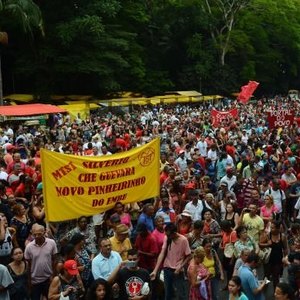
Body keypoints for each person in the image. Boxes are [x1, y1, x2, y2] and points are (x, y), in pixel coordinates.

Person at [150, 222, 191, 300]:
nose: (167, 236)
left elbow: (189, 256)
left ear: (174, 233)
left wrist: (180, 267)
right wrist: (155, 271)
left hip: (178, 271)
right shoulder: (167, 237)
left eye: (169, 235)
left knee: (181, 294)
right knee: (168, 294)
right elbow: (162, 253)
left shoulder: (183, 240)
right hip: (167, 269)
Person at [24, 224, 58, 300]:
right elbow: (28, 265)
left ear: (44, 232)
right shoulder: (29, 247)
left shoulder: (51, 243)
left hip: (48, 279)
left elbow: (55, 260)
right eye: (34, 234)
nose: (37, 236)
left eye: (39, 234)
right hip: (35, 281)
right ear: (32, 233)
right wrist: (29, 282)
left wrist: (53, 275)